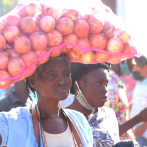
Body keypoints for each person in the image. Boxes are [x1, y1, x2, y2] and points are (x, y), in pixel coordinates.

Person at [0, 54, 93, 147]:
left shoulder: (79, 121)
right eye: (51, 75)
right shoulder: (14, 121)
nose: (62, 81)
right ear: (33, 81)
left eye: (66, 74)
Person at [67, 62, 147, 147]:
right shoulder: (64, 118)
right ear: (79, 85)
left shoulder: (108, 114)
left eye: (106, 84)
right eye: (99, 83)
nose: (105, 89)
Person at [130, 55, 147, 146]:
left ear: (145, 67)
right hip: (134, 130)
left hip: (143, 134)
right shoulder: (140, 82)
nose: (133, 70)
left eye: (136, 67)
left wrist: (142, 128)